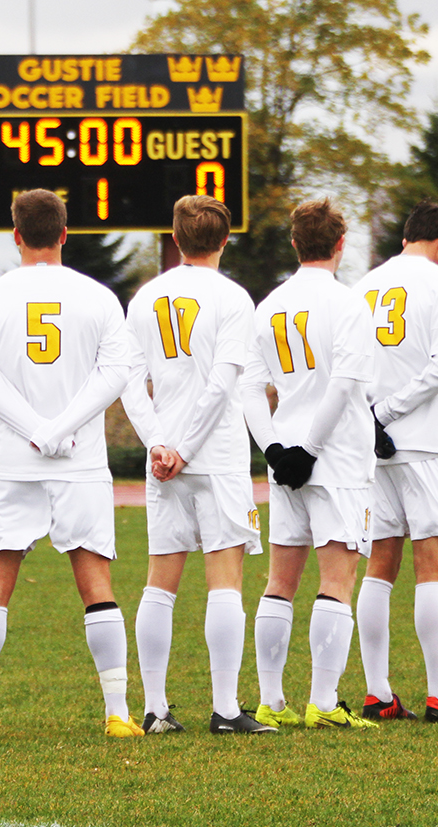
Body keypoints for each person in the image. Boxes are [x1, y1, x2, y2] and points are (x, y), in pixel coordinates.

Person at [0, 188, 139, 741]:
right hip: (78, 460)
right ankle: (117, 713)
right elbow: (116, 374)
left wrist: (35, 430)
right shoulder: (99, 297)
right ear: (64, 233)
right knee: (97, 582)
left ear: (15, 236)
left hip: (14, 460)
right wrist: (60, 429)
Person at [122, 194, 270, 735]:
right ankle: (226, 709)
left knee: (160, 581)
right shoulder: (233, 298)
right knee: (225, 579)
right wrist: (184, 448)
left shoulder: (144, 298)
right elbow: (222, 383)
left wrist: (158, 443)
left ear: (176, 239)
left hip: (163, 459)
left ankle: (156, 709)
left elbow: (131, 385)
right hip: (217, 455)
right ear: (225, 240)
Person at [239, 197, 379, 730]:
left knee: (280, 580)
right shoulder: (349, 304)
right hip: (335, 457)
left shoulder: (269, 304)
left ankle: (272, 699)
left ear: (295, 243)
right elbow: (345, 386)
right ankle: (323, 700)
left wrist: (274, 449)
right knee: (337, 580)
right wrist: (310, 452)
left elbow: (251, 388)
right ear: (341, 244)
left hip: (286, 458)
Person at [351, 200, 438, 722]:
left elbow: (351, 366)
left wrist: (369, 418)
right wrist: (389, 411)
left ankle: (378, 691)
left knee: (379, 565)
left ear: (407, 236)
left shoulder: (364, 285)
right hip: (422, 442)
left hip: (370, 444)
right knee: (434, 564)